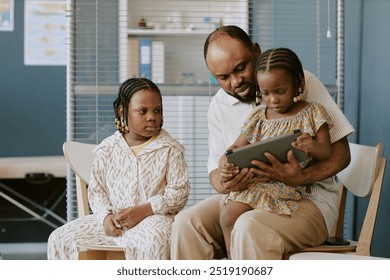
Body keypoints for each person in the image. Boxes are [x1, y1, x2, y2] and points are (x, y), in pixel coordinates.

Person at [171, 25, 355, 260]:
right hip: (248, 196)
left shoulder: (299, 81)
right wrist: (228, 179)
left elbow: (341, 154)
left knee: (249, 226)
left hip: (307, 198)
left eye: (241, 68)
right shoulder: (219, 105)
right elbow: (217, 176)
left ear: (255, 51)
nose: (235, 82)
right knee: (186, 224)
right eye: (223, 77)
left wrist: (301, 177)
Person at [48, 77, 190, 260]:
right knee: (60, 238)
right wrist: (106, 218)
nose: (152, 116)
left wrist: (145, 210)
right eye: (143, 111)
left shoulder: (170, 149)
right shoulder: (107, 149)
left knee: (155, 239)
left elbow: (179, 194)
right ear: (123, 111)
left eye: (157, 110)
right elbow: (97, 191)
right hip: (113, 220)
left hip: (152, 219)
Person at [219, 47, 334, 259]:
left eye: (280, 92)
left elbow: (327, 150)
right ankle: (233, 261)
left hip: (288, 186)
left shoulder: (313, 112)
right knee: (227, 215)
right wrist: (226, 162)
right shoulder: (258, 117)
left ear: (298, 84)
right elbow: (235, 148)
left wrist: (312, 146)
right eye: (265, 94)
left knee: (253, 223)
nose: (272, 100)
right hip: (257, 185)